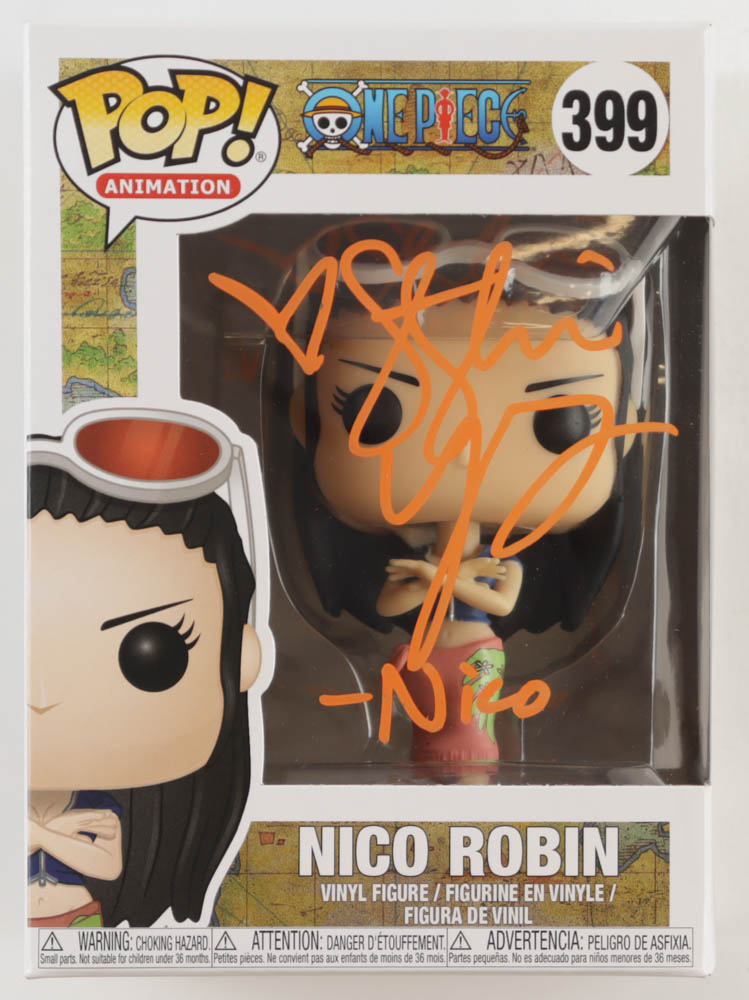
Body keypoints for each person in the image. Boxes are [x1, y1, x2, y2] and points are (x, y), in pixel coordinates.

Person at [27, 455, 260, 927]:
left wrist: (40, 836)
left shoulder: (97, 808)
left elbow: (108, 864)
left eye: (149, 653)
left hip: (82, 920)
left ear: (241, 658)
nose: (42, 697)